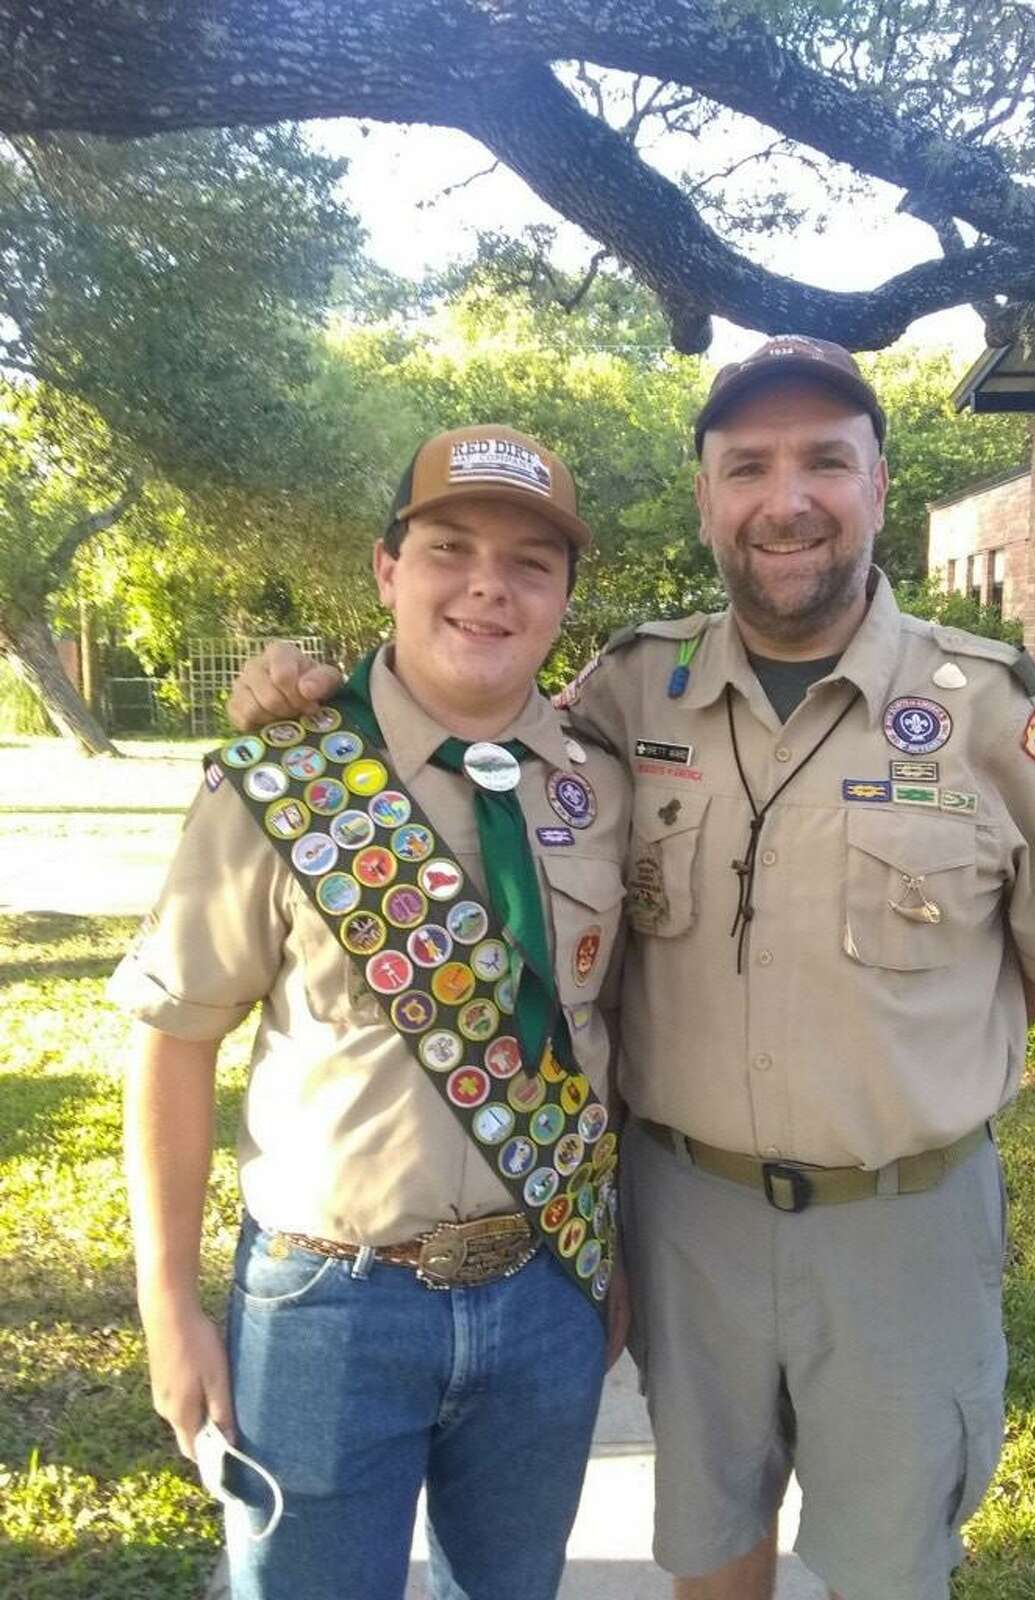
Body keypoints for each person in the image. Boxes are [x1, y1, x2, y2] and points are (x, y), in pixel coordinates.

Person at [227, 339, 1035, 1600]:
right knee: (707, 1542)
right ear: (708, 495)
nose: (788, 498)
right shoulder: (627, 690)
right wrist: (305, 696)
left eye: (826, 460)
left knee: (888, 1564)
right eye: (747, 465)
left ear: (879, 484)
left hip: (902, 1224)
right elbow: (469, 722)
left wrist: (898, 1053)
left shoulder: (990, 709)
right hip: (683, 1216)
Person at [111, 424, 632, 1600]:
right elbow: (174, 1041)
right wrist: (168, 1305)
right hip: (326, 1304)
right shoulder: (284, 777)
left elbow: (614, 1037)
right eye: (450, 546)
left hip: (546, 1284)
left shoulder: (600, 785)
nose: (488, 584)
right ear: (389, 570)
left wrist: (614, 1261)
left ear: (561, 598)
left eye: (531, 562)